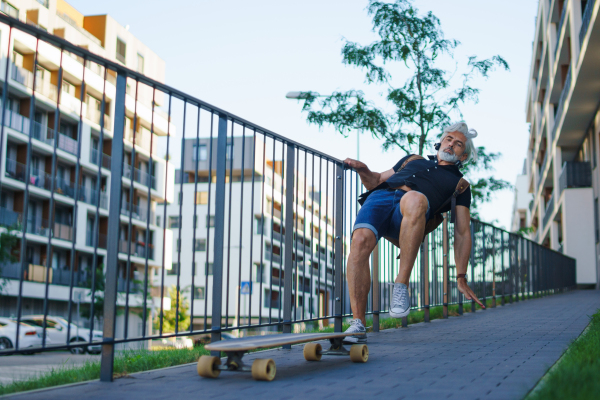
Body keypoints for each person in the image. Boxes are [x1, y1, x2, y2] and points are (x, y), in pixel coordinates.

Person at [343, 122, 486, 344]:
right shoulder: (412, 159)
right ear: (440, 142)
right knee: (359, 241)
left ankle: (401, 285)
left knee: (415, 198)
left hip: (411, 213)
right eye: (449, 139)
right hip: (381, 199)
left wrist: (461, 275)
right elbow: (377, 181)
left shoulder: (460, 185)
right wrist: (363, 170)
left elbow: (462, 232)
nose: (451, 145)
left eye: (458, 145)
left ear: (463, 157)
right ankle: (358, 324)